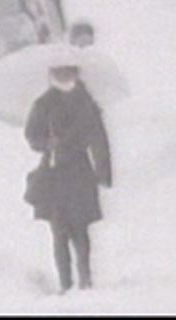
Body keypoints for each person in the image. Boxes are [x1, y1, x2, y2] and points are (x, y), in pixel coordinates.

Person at [25, 64, 112, 294]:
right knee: (59, 230)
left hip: (79, 172)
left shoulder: (85, 103)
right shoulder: (44, 103)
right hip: (54, 171)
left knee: (80, 228)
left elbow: (98, 138)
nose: (64, 78)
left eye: (68, 74)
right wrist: (46, 143)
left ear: (76, 75)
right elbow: (32, 135)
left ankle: (84, 278)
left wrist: (103, 171)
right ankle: (66, 282)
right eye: (59, 74)